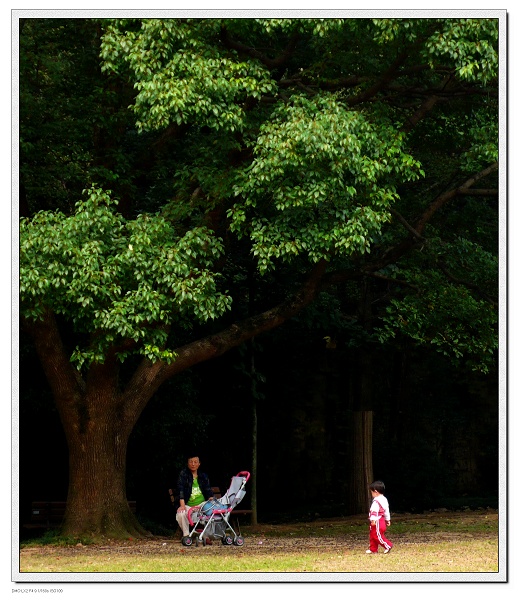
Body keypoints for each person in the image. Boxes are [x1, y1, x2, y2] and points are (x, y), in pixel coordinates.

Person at [175, 453, 215, 541]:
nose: (193, 464)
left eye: (195, 462)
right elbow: (180, 490)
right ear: (188, 463)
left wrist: (211, 499)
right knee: (181, 514)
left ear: (199, 464)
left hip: (201, 505)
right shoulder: (183, 475)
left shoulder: (203, 476)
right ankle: (186, 536)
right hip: (188, 506)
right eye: (191, 462)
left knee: (212, 510)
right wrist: (182, 506)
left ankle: (206, 536)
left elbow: (208, 491)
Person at [366, 480, 393, 554]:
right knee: (373, 535)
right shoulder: (384, 499)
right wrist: (387, 520)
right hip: (382, 520)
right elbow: (386, 511)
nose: (371, 494)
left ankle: (388, 545)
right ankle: (373, 549)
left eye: (371, 492)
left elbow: (374, 511)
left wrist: (373, 520)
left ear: (375, 491)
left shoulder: (376, 501)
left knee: (377, 536)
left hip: (377, 521)